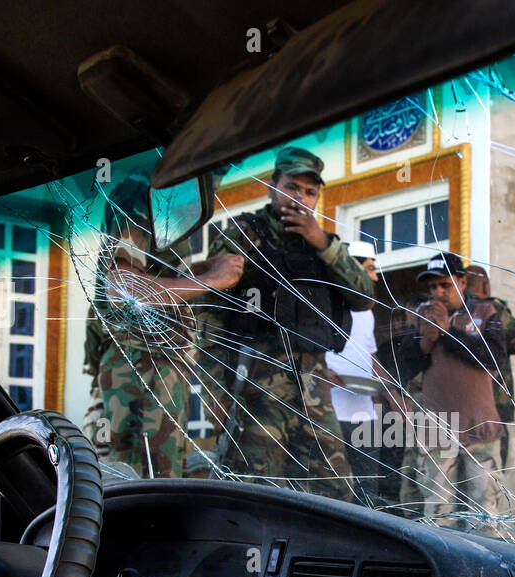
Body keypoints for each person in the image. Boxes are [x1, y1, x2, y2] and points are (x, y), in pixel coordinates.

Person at [195, 146, 374, 502]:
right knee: (259, 493)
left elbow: (364, 297)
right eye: (292, 187)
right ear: (272, 187)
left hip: (314, 389)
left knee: (337, 492)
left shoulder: (324, 246)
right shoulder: (242, 235)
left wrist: (322, 243)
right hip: (256, 386)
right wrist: (215, 393)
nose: (301, 198)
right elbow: (210, 316)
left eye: (310, 192)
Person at [83, 173, 243, 478]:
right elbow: (124, 290)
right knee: (145, 491)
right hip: (140, 367)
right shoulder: (139, 202)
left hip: (155, 368)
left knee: (160, 485)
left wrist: (198, 271)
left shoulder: (164, 219)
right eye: (209, 182)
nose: (210, 194)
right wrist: (208, 280)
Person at [395, 252, 508, 533]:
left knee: (483, 509)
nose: (438, 293)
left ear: (462, 281)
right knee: (438, 509)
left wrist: (449, 332)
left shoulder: (485, 312)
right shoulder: (422, 316)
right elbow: (405, 366)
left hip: (480, 430)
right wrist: (427, 337)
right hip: (436, 433)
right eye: (433, 287)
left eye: (445, 285)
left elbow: (494, 358)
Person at [324, 241, 390, 504]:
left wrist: (392, 392)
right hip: (330, 417)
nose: (374, 278)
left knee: (368, 495)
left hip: (365, 417)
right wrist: (327, 375)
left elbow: (370, 356)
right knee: (334, 494)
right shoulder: (323, 307)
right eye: (370, 269)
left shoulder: (367, 313)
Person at [466, 264, 515, 467]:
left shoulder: (454, 311)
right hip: (494, 405)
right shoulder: (491, 309)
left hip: (461, 406)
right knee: (491, 473)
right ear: (486, 287)